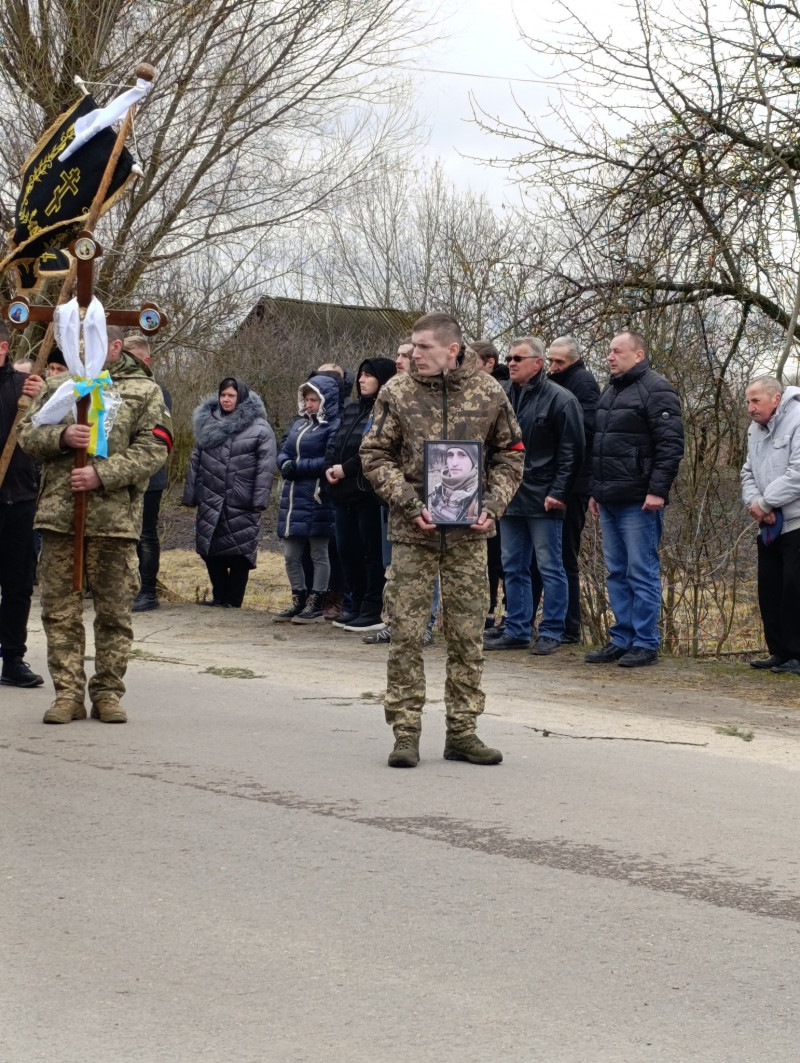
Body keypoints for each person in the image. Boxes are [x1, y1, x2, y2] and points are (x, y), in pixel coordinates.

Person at [361, 312, 524, 768]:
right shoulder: (397, 392)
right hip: (413, 532)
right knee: (407, 634)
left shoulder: (490, 392)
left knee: (468, 635)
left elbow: (511, 455)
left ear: (453, 350)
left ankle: (463, 731)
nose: (415, 355)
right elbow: (374, 454)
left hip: (470, 537)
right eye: (412, 346)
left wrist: (492, 505)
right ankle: (406, 732)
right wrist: (410, 504)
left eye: (425, 347)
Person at [18, 325, 173, 724]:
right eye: (77, 344)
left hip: (114, 521)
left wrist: (103, 474)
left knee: (114, 613)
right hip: (59, 517)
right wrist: (62, 436)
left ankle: (106, 692)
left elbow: (156, 447)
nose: (79, 351)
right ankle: (67, 694)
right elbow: (26, 436)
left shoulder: (144, 391)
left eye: (90, 345)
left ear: (115, 346)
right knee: (59, 612)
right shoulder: (60, 386)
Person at [585, 331, 684, 668]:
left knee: (641, 570)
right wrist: (595, 492)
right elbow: (599, 446)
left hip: (639, 500)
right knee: (616, 571)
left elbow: (670, 446)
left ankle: (645, 642)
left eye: (617, 351)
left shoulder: (657, 390)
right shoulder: (610, 391)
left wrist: (658, 490)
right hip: (609, 497)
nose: (610, 357)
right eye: (608, 351)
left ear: (638, 354)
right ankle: (621, 638)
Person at [485, 336, 584, 655]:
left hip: (544, 497)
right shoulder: (500, 397)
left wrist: (559, 492)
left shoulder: (561, 399)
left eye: (518, 358)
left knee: (549, 566)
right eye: (510, 357)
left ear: (537, 363)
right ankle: (517, 628)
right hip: (510, 494)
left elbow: (572, 452)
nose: (511, 362)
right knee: (512, 565)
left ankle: (553, 631)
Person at [528, 335, 601, 643]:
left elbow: (581, 431)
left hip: (572, 483)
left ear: (573, 361)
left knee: (564, 555)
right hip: (549, 479)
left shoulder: (582, 383)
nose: (554, 367)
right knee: (538, 558)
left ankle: (569, 625)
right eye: (551, 360)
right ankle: (532, 619)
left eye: (560, 362)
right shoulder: (549, 384)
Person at [183, 377, 276, 608]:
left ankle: (233, 601)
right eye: (223, 394)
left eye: (231, 395)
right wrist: (191, 494)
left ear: (241, 397)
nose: (226, 399)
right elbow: (195, 460)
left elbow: (266, 466)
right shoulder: (207, 423)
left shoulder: (259, 427)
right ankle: (219, 596)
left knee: (239, 552)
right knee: (209, 548)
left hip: (240, 498)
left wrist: (259, 499)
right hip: (211, 496)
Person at [324, 357, 397, 631]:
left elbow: (371, 450)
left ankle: (372, 608)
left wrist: (346, 469)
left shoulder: (386, 409)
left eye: (369, 375)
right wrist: (328, 469)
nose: (362, 379)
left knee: (371, 553)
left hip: (367, 492)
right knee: (346, 551)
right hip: (342, 492)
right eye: (361, 375)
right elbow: (336, 441)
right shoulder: (353, 407)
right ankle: (353, 603)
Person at [741, 376, 800, 674]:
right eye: (748, 401)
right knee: (771, 590)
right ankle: (779, 652)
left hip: (796, 523)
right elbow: (747, 472)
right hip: (769, 525)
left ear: (776, 399)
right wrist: (757, 505)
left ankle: (797, 656)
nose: (750, 408)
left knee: (795, 591)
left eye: (756, 401)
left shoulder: (798, 420)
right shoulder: (755, 430)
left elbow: (798, 473)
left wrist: (766, 503)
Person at [0, 322, 45, 688]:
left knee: (18, 584)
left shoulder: (24, 388)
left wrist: (43, 396)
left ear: (3, 347)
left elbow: (46, 432)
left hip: (19, 499)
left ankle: (13, 658)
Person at [274, 374, 340, 623]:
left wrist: (298, 466)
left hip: (318, 495)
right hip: (292, 497)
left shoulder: (334, 426)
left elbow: (329, 460)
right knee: (291, 553)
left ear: (325, 400)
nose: (310, 404)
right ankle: (298, 598)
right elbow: (284, 451)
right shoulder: (298, 424)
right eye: (307, 399)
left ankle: (316, 601)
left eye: (314, 399)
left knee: (318, 553)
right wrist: (285, 463)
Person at [125, 334, 173, 612]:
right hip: (124, 474)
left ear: (146, 359)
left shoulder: (157, 391)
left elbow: (156, 434)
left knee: (146, 534)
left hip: (150, 475)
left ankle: (147, 591)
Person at [427, 444, 481, 524]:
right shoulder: (437, 488)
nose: (454, 463)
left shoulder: (480, 495)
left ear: (472, 461)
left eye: (462, 455)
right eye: (450, 455)